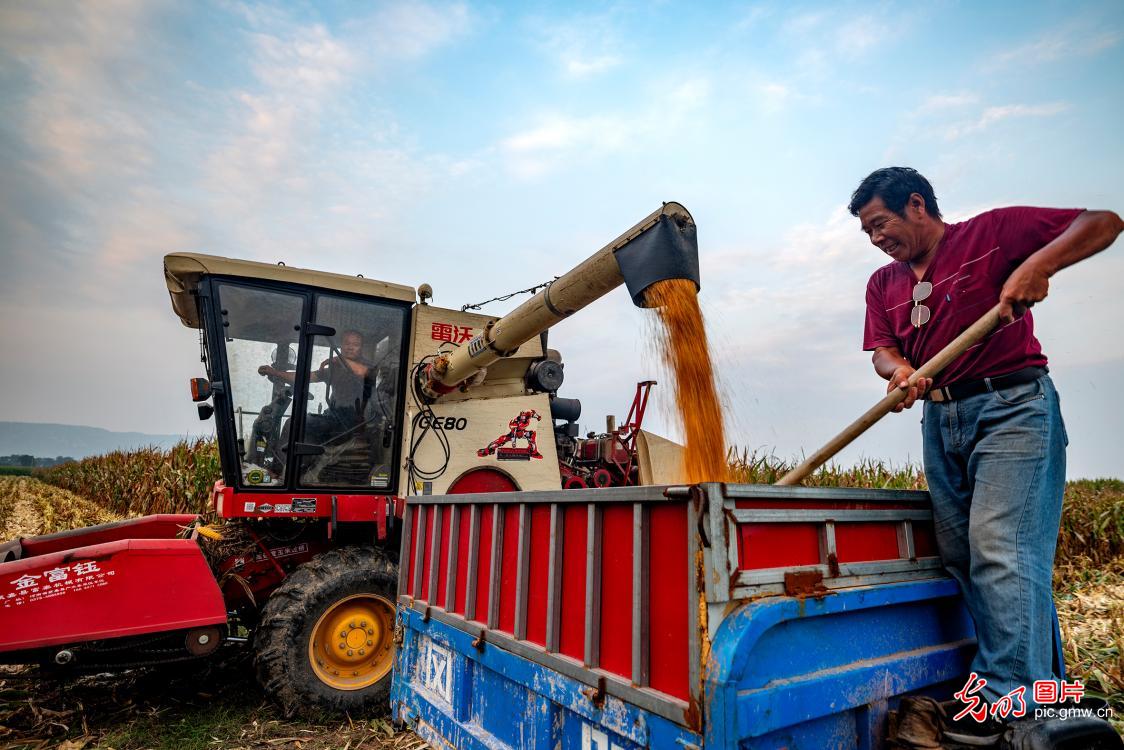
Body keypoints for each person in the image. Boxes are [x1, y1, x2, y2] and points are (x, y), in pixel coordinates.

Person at [849, 167, 1122, 743]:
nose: (876, 239)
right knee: (968, 557)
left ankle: (1009, 699)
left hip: (1011, 407)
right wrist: (899, 371)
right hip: (940, 417)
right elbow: (882, 349)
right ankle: (1046, 693)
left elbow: (1103, 223)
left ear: (916, 204)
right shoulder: (883, 284)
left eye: (880, 224)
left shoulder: (991, 234)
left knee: (1003, 549)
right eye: (868, 232)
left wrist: (1038, 265)